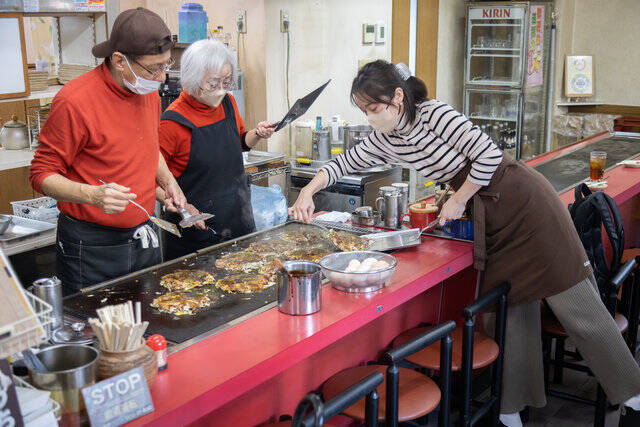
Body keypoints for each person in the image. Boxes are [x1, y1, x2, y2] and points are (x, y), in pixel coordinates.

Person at [289, 60, 640, 426]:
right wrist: (308, 192)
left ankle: (632, 390)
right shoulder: (386, 139)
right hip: (491, 217)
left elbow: (488, 154)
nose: (371, 116)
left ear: (397, 97)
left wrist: (458, 198)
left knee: (573, 296)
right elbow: (343, 162)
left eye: (374, 108)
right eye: (363, 111)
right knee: (510, 306)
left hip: (523, 201)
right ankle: (511, 407)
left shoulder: (434, 114)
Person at [30, 8, 190, 295]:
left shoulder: (147, 92)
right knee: (96, 334)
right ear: (119, 60)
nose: (162, 77)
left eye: (166, 65)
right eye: (154, 68)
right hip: (91, 246)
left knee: (150, 323)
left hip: (143, 233)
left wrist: (168, 182)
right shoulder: (75, 101)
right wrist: (93, 195)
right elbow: (41, 174)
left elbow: (148, 146)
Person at [158, 39, 275, 260]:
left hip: (239, 222)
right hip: (197, 235)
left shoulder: (228, 103)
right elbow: (149, 180)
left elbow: (240, 141)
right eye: (213, 84)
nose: (221, 90)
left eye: (227, 81)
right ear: (192, 79)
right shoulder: (172, 123)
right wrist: (183, 206)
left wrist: (257, 134)